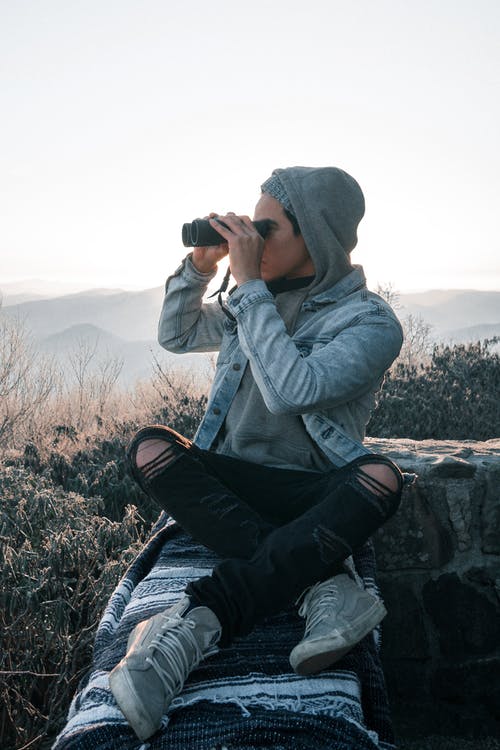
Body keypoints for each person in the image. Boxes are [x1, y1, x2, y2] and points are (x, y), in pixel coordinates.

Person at [109, 166, 405, 742]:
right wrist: (200, 267)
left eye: (266, 229)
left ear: (315, 237)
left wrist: (247, 289)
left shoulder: (369, 321)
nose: (252, 239)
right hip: (234, 478)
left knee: (380, 477)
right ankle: (312, 582)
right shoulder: (250, 302)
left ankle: (201, 619)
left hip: (309, 488)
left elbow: (292, 390)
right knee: (150, 446)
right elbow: (176, 334)